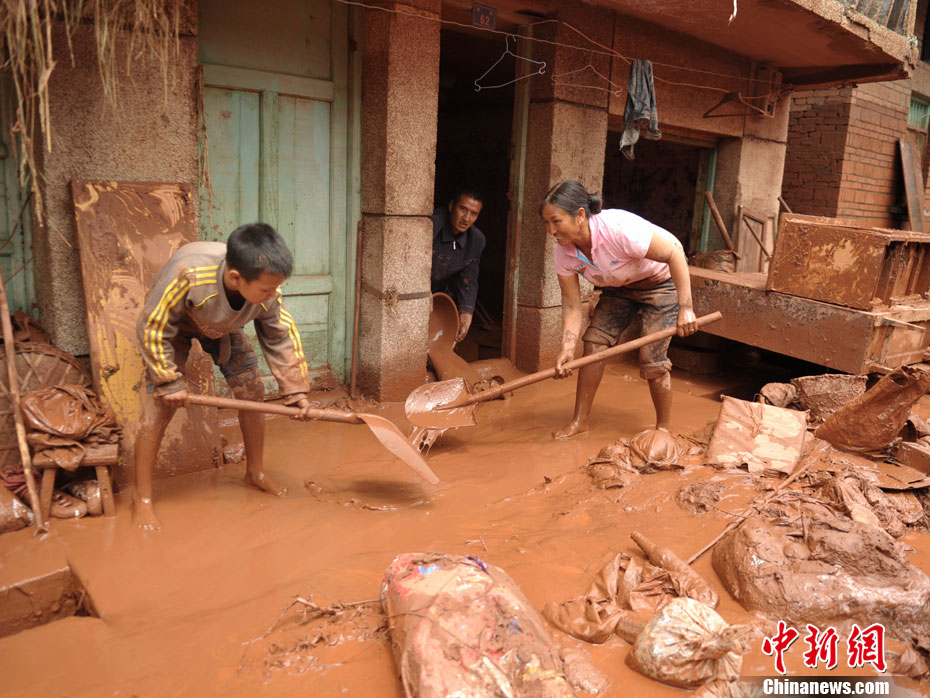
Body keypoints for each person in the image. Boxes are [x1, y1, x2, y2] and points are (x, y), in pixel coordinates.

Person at [133, 223, 316, 530]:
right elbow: (152, 326)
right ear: (235, 278)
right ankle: (142, 498)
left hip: (223, 329)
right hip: (172, 328)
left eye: (275, 288)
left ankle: (255, 473)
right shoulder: (188, 275)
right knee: (160, 406)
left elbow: (281, 336)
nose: (273, 295)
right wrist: (168, 380)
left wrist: (295, 389)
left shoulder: (267, 291)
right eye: (266, 290)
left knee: (252, 392)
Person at [540, 180, 698, 439]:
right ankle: (580, 421)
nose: (551, 231)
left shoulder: (618, 229)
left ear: (580, 215)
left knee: (652, 359)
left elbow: (675, 253)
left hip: (659, 284)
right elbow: (571, 304)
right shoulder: (562, 252)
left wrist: (686, 308)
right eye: (546, 223)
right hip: (619, 289)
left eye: (556, 221)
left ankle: (663, 429)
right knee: (593, 344)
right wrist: (567, 349)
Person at [430, 188, 486, 342]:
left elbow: (469, 279)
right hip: (411, 287)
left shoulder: (476, 240)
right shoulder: (432, 225)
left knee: (447, 331)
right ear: (451, 206)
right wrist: (419, 292)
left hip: (439, 290)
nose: (466, 218)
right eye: (463, 209)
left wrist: (466, 313)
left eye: (473, 214)